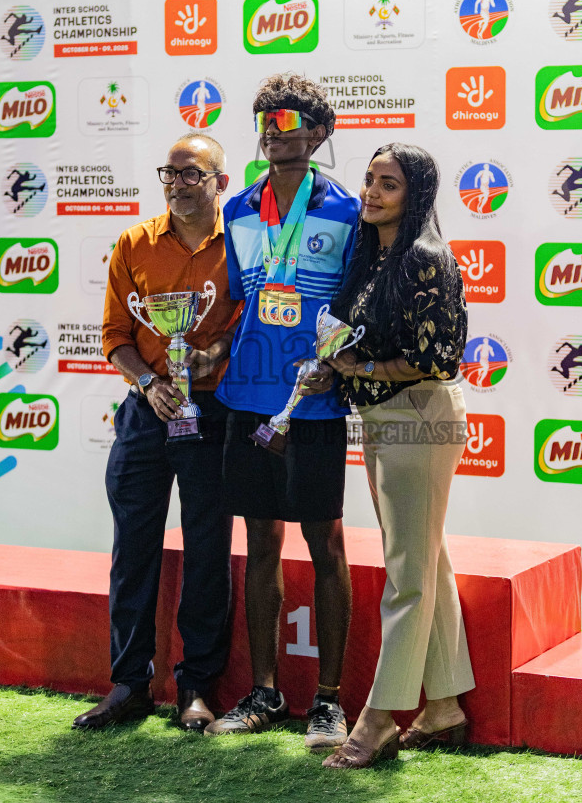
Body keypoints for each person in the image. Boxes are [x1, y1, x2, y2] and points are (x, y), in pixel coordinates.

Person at [203, 74, 359, 751]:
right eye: (264, 120)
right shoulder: (238, 205)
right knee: (259, 540)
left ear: (319, 133)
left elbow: (354, 304)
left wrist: (339, 361)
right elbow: (244, 294)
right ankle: (265, 690)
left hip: (315, 403)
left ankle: (327, 701)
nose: (272, 131)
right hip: (248, 395)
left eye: (288, 122)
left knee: (324, 544)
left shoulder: (349, 210)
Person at [72, 133, 242, 732]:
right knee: (133, 547)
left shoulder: (244, 245)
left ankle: (196, 687)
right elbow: (116, 335)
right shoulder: (134, 242)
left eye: (192, 174)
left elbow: (252, 323)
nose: (177, 185)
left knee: (206, 550)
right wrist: (150, 384)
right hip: (147, 412)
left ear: (221, 180)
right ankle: (128, 684)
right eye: (169, 175)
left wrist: (210, 351)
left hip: (214, 410)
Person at [316, 143, 475, 769]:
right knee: (425, 559)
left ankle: (379, 718)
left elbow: (440, 357)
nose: (372, 192)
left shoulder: (425, 258)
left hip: (420, 413)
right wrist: (338, 359)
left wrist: (359, 367)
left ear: (417, 195)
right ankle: (444, 709)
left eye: (389, 183)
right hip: (383, 417)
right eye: (369, 180)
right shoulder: (370, 255)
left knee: (408, 570)